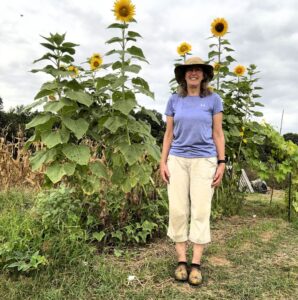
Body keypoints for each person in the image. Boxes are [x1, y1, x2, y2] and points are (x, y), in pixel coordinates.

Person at [160, 56, 225, 286]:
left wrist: (222, 162)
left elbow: (218, 133)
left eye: (198, 70)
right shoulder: (174, 100)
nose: (194, 73)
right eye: (190, 70)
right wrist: (163, 162)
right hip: (177, 160)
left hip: (204, 161)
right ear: (183, 75)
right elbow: (168, 134)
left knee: (200, 210)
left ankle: (195, 264)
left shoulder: (214, 100)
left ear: (204, 75)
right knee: (178, 210)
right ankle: (181, 261)